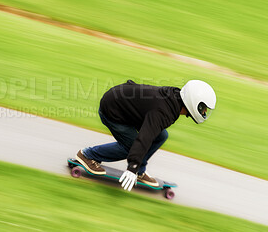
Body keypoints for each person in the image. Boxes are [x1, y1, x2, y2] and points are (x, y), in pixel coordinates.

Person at [75, 79, 216, 191]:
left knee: (162, 136)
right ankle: (87, 155)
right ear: (193, 102)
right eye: (202, 108)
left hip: (126, 108)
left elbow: (151, 128)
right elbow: (145, 137)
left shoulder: (174, 99)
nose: (204, 113)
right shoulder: (164, 112)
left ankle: (140, 172)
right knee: (131, 148)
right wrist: (133, 167)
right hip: (113, 110)